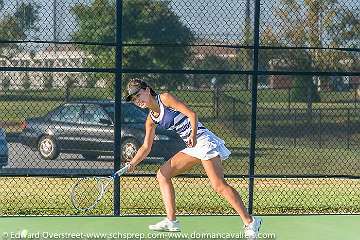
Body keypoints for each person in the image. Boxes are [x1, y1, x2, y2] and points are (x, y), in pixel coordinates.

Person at [125, 78, 262, 238]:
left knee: (218, 185)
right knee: (162, 174)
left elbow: (191, 114)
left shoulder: (165, 98)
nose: (138, 100)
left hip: (203, 140)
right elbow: (146, 147)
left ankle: (251, 222)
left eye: (138, 95)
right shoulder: (151, 119)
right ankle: (171, 221)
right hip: (192, 146)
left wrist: (192, 134)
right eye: (134, 99)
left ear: (147, 90)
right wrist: (133, 163)